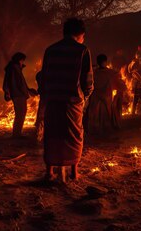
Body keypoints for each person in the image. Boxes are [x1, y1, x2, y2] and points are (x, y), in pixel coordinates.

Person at [40, 18, 93, 181]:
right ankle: (73, 172)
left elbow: (43, 76)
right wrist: (85, 96)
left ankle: (50, 172)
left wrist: (46, 95)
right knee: (74, 135)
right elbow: (88, 80)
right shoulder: (82, 50)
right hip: (72, 101)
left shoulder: (50, 50)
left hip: (53, 100)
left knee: (52, 133)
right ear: (80, 34)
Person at [3, 52, 37, 138]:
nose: (23, 62)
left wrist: (28, 90)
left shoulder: (15, 68)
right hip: (18, 94)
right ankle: (17, 134)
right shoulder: (14, 68)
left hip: (18, 94)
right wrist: (7, 92)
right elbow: (16, 83)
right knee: (20, 113)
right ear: (19, 60)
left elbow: (20, 83)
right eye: (22, 60)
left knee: (21, 113)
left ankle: (17, 133)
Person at [86, 54, 120, 135]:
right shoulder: (110, 73)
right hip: (105, 97)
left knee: (94, 113)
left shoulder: (94, 73)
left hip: (97, 97)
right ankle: (106, 130)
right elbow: (117, 84)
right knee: (107, 112)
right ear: (105, 62)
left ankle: (95, 130)